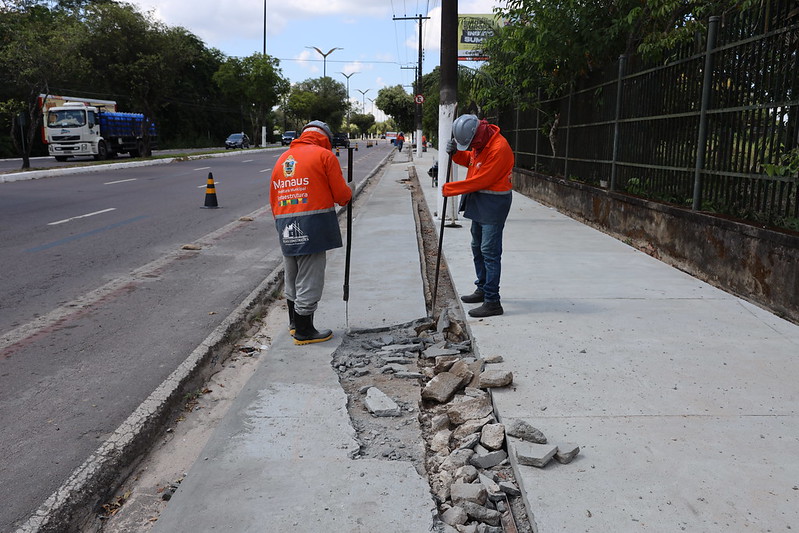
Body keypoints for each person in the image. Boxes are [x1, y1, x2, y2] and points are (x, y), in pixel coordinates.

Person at [270, 120, 353, 344]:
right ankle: (305, 332)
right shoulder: (324, 156)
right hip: (313, 225)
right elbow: (341, 196)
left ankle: (294, 324)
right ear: (325, 137)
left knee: (292, 275)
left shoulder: (283, 158)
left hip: (284, 223)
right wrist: (350, 189)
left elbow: (273, 197)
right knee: (310, 278)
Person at [443, 114, 514, 318]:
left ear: (478, 134)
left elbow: (483, 179)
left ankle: (492, 301)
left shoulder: (499, 148)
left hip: (494, 204)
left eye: (471, 143)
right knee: (477, 247)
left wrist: (452, 188)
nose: (472, 147)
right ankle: (482, 288)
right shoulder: (481, 141)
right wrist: (456, 153)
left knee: (489, 252)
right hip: (479, 200)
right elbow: (472, 162)